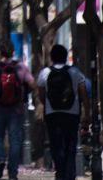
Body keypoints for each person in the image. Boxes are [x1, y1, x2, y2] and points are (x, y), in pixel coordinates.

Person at [0, 40, 37, 180]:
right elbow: (33, 84)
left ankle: (0, 160)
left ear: (0, 52)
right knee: (15, 141)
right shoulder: (21, 67)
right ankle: (13, 173)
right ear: (13, 51)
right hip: (16, 110)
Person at [37, 44, 90, 180]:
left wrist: (48, 105)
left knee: (56, 145)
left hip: (52, 115)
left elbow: (41, 94)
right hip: (71, 115)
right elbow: (83, 93)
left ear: (52, 57)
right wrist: (87, 111)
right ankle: (69, 175)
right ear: (66, 57)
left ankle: (60, 173)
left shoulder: (45, 73)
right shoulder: (75, 72)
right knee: (70, 146)